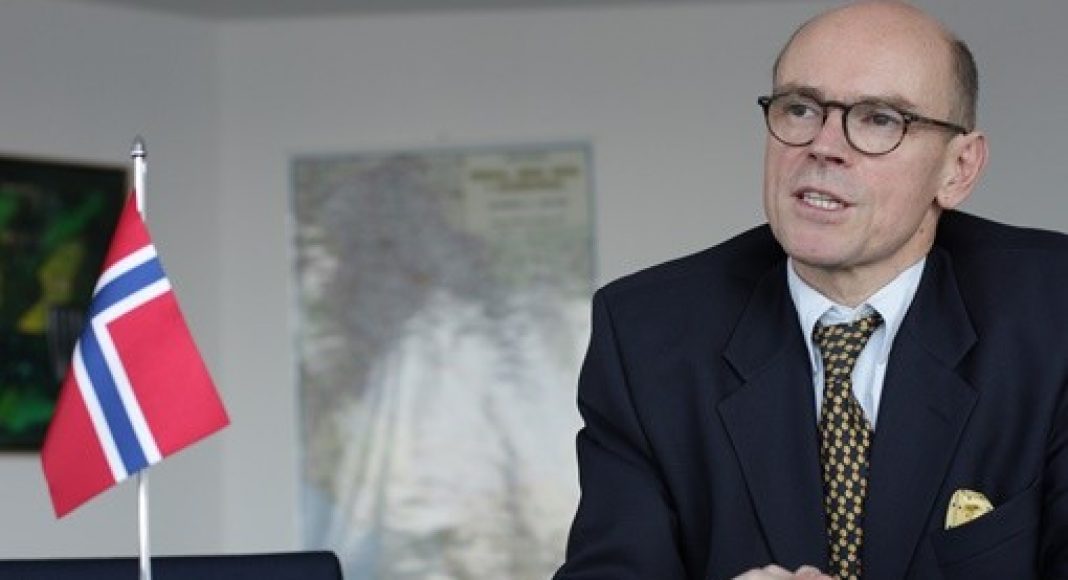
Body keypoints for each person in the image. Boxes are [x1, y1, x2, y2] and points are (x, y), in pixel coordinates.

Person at [553, 1, 1068, 579]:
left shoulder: (1054, 312)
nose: (824, 145)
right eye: (800, 108)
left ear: (959, 168)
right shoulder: (647, 336)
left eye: (879, 119)